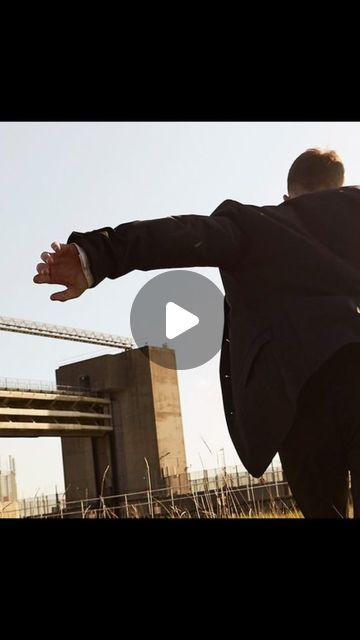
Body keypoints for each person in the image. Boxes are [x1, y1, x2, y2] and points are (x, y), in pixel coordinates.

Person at [34, 148, 360, 518]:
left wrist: (96, 256)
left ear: (287, 197)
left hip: (301, 398)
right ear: (341, 186)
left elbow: (180, 234)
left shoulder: (263, 225)